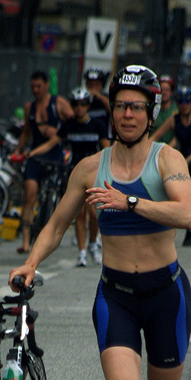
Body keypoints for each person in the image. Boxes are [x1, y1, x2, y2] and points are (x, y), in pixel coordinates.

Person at [9, 65, 191, 380]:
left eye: (137, 107)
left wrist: (128, 203)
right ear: (110, 112)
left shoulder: (167, 161)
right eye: (120, 106)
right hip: (116, 295)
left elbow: (186, 213)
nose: (127, 115)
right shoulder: (91, 169)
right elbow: (54, 226)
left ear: (151, 112)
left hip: (165, 293)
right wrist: (31, 263)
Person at [13, 71, 73, 253]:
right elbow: (26, 132)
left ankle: (49, 234)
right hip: (34, 155)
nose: (36, 90)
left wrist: (57, 132)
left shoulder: (59, 103)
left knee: (52, 194)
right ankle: (25, 241)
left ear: (47, 85)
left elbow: (73, 123)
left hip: (53, 155)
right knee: (29, 195)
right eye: (32, 87)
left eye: (39, 86)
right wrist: (18, 150)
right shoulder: (29, 107)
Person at [151, 87, 191, 245]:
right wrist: (145, 148)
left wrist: (189, 159)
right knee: (183, 194)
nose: (184, 105)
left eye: (187, 102)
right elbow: (157, 135)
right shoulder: (173, 119)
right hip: (182, 160)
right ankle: (189, 230)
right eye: (181, 102)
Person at [60, 87, 109, 266]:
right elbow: (54, 142)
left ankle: (93, 244)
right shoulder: (68, 125)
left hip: (94, 173)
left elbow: (107, 148)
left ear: (88, 105)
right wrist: (32, 153)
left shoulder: (98, 125)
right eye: (75, 104)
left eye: (83, 104)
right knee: (79, 214)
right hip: (75, 173)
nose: (79, 108)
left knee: (94, 214)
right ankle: (81, 252)